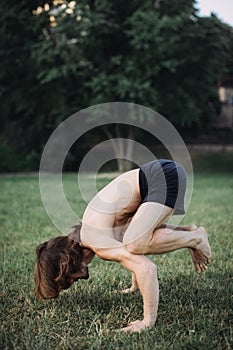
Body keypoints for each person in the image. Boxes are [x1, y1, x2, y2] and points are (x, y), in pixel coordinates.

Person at [34, 159, 211, 332]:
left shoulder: (97, 243)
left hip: (160, 177)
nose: (72, 282)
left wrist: (147, 321)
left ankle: (196, 238)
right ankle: (189, 232)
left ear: (66, 263)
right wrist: (135, 285)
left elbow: (147, 268)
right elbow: (130, 248)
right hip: (160, 173)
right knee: (135, 239)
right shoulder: (89, 233)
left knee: (135, 243)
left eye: (67, 280)